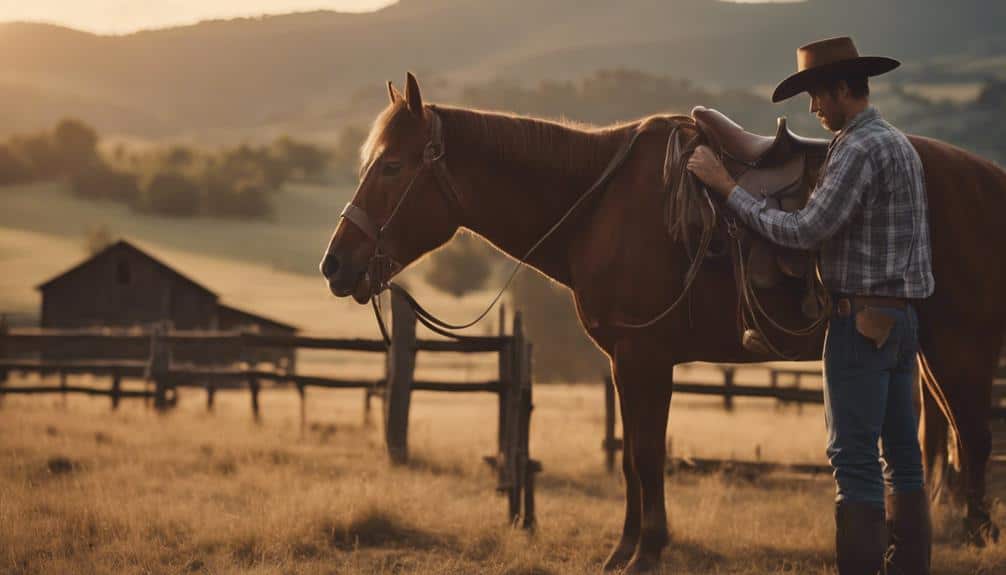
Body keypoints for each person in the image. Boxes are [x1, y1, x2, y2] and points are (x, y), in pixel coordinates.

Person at [687, 37, 934, 575]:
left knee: (855, 462)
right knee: (903, 458)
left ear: (844, 89)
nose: (813, 109)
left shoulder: (856, 149)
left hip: (858, 322)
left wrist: (728, 188)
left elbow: (805, 231)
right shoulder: (900, 145)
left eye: (818, 96)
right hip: (902, 320)